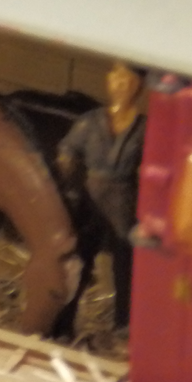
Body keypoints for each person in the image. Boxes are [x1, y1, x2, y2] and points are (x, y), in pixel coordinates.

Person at [55, 61, 145, 329]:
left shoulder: (144, 128)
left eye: (128, 81)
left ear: (138, 87)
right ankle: (63, 321)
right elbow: (68, 150)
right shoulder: (90, 121)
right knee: (80, 259)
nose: (121, 86)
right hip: (90, 197)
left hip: (122, 200)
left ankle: (123, 325)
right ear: (108, 81)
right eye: (117, 79)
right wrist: (66, 174)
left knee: (125, 266)